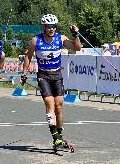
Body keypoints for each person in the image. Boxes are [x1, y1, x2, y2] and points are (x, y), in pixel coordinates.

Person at [21, 14, 81, 150]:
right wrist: (24, 73)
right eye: (49, 27)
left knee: (59, 106)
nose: (52, 29)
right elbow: (28, 57)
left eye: (54, 26)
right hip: (44, 76)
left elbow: (76, 47)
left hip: (57, 75)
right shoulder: (36, 41)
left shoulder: (61, 38)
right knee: (50, 104)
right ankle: (55, 136)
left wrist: (76, 35)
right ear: (44, 27)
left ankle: (59, 136)